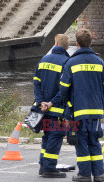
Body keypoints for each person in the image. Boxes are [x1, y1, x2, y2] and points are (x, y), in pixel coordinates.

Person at [60, 29, 104, 182]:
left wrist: (68, 107)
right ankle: (99, 175)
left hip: (79, 111)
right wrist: (101, 104)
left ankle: (84, 174)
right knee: (94, 141)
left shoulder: (71, 62)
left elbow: (63, 89)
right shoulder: (100, 62)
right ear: (90, 42)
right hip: (96, 111)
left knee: (81, 141)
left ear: (77, 43)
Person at [32, 34, 70, 178]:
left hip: (42, 109)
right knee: (55, 137)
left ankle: (43, 166)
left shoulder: (43, 60)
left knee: (47, 137)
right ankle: (49, 169)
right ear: (67, 47)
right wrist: (52, 103)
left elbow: (36, 82)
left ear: (55, 43)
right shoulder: (67, 62)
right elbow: (64, 89)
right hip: (56, 110)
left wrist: (41, 101)